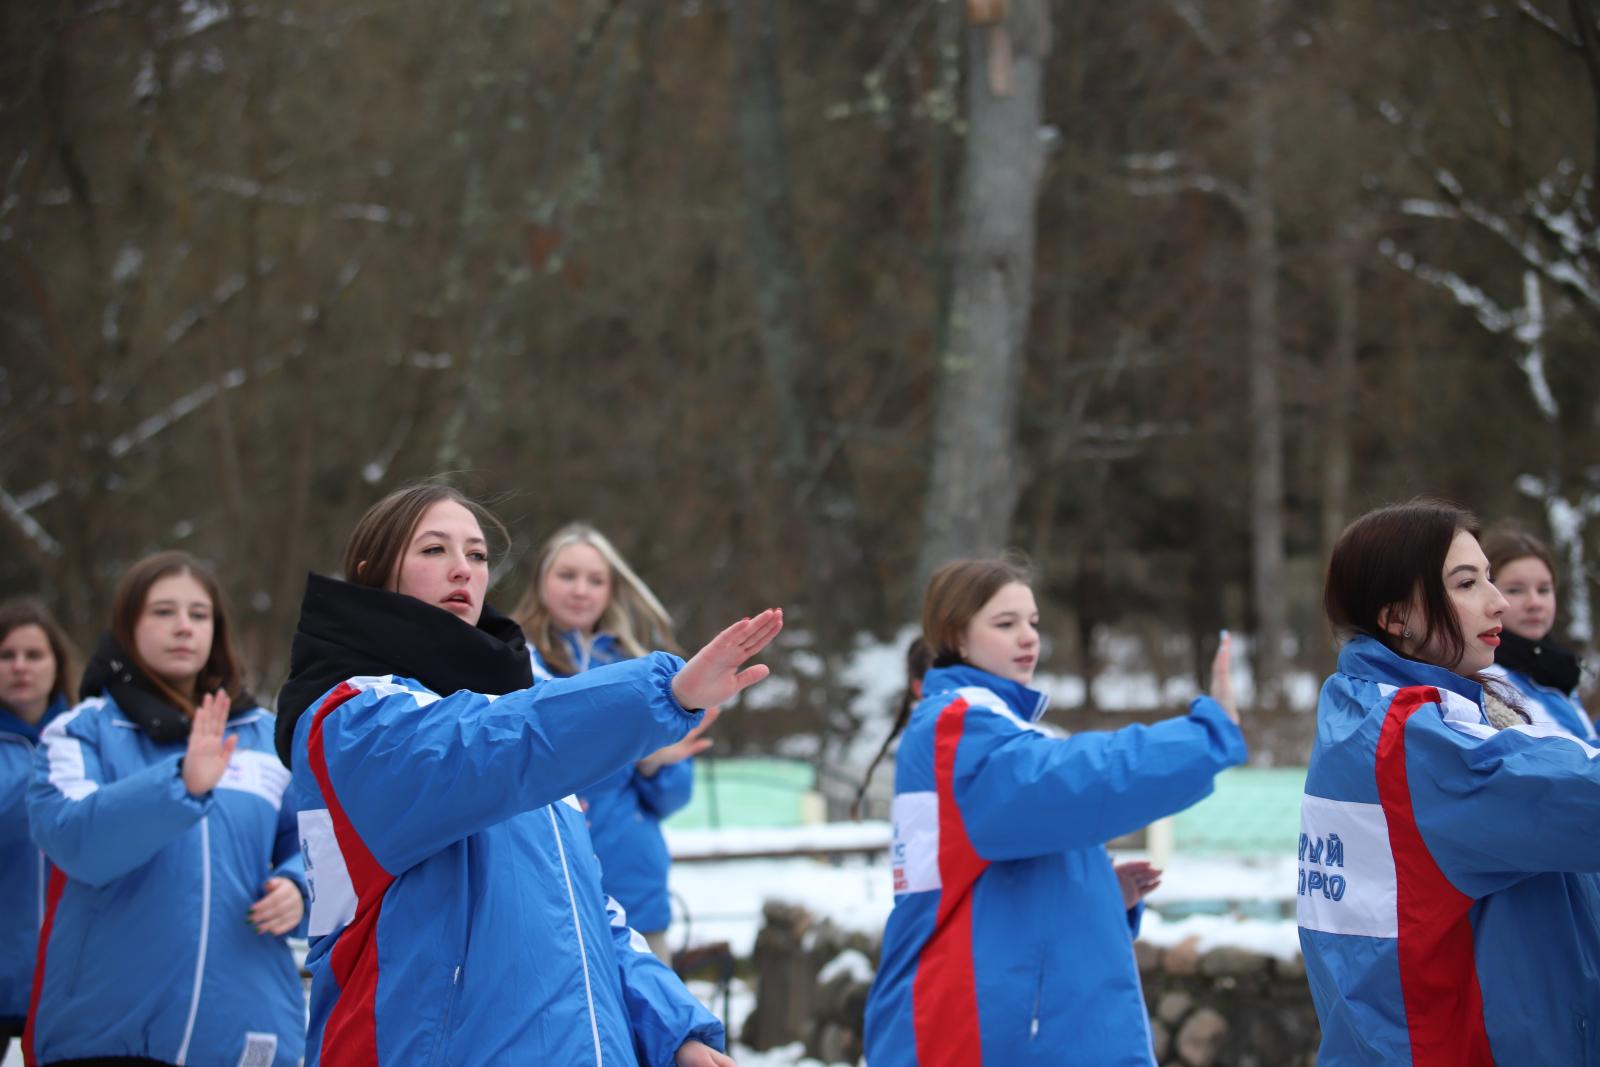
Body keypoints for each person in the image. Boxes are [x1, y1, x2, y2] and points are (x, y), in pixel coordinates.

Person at [275, 484, 781, 1066]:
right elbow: (491, 746)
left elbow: (586, 908)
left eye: (477, 554)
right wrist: (662, 694)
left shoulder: (513, 705)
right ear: (371, 572)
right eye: (434, 550)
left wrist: (674, 1030)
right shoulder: (352, 718)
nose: (463, 569)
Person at [862, 557, 1246, 1067]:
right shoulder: (958, 727)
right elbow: (1078, 781)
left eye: (1033, 622)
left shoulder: (985, 728)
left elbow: (991, 871)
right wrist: (1205, 735)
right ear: (956, 635)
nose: (1028, 637)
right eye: (1005, 623)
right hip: (977, 1034)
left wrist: (1095, 888)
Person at [1300, 499, 1600, 1065]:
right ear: (1397, 618)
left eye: (1489, 576)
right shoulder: (1408, 739)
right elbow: (1568, 796)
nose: (1500, 602)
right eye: (1467, 583)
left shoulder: (1375, 713)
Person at [26, 552, 306, 1067]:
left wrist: (297, 886)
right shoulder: (81, 730)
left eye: (199, 615)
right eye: (162, 612)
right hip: (110, 1035)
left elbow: (318, 838)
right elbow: (76, 841)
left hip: (244, 1032)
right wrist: (179, 783)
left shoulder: (265, 734)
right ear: (128, 626)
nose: (183, 627)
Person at [513, 522, 713, 963]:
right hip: (545, 891)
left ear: (611, 590)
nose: (581, 590)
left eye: (595, 580)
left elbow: (672, 797)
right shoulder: (510, 661)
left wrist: (653, 764)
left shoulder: (641, 669)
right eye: (567, 576)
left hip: (635, 888)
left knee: (656, 1030)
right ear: (541, 580)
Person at [0, 600, 76, 1056]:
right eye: (7, 656)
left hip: (69, 978)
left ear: (57, 663)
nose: (20, 667)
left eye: (34, 655)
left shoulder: (87, 738)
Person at [1480, 526, 1595, 740]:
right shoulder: (1488, 675)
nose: (1534, 603)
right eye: (1515, 590)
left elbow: (1582, 740)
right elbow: (1556, 755)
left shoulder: (1555, 666)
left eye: (1543, 590)